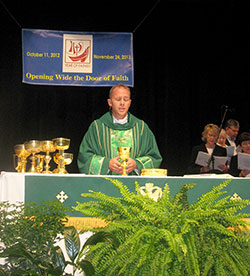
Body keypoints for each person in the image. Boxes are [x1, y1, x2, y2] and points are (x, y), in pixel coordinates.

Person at [77, 84, 162, 175]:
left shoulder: (141, 128)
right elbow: (84, 157)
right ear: (110, 102)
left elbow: (154, 157)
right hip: (104, 185)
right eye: (118, 99)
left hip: (134, 185)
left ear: (129, 102)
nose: (122, 103)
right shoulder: (97, 128)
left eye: (125, 99)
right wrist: (107, 164)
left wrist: (136, 164)